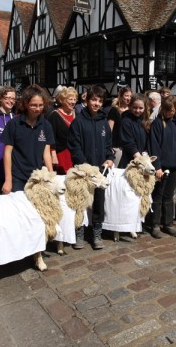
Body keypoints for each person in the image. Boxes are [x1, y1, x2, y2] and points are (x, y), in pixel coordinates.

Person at [68, 84, 115, 249]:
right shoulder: (78, 122)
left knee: (98, 202)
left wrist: (109, 158)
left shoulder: (103, 122)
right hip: (83, 171)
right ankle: (79, 231)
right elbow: (75, 147)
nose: (96, 103)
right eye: (94, 99)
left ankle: (97, 232)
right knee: (81, 202)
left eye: (100, 101)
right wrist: (85, 168)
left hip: (100, 172)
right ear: (87, 100)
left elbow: (109, 145)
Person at [0, 85, 54, 193]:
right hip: (17, 177)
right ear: (25, 104)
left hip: (38, 177)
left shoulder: (46, 125)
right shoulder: (14, 124)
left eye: (41, 105)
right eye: (33, 105)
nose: (38, 109)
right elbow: (7, 153)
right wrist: (8, 180)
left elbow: (46, 153)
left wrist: (51, 176)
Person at [148, 96, 176, 238]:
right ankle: (155, 224)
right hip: (162, 167)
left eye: (172, 110)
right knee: (158, 195)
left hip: (175, 165)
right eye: (167, 110)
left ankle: (168, 223)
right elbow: (154, 146)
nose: (169, 113)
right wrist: (157, 166)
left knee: (169, 196)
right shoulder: (157, 124)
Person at [47, 86, 78, 175]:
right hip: (61, 154)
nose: (73, 102)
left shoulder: (77, 115)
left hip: (74, 153)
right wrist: (53, 156)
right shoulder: (54, 115)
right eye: (70, 99)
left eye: (74, 99)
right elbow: (51, 137)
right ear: (62, 100)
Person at [119, 93, 150, 169]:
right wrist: (139, 157)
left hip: (143, 159)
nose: (137, 110)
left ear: (145, 108)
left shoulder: (145, 121)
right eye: (135, 107)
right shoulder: (125, 121)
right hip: (130, 161)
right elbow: (128, 142)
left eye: (141, 108)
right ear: (130, 106)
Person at [107, 86, 131, 167]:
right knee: (116, 171)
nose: (129, 98)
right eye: (126, 96)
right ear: (120, 96)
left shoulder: (132, 111)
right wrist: (109, 147)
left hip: (129, 146)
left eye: (130, 96)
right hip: (117, 146)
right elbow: (109, 130)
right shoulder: (114, 110)